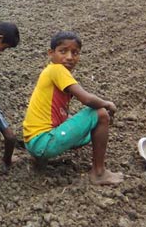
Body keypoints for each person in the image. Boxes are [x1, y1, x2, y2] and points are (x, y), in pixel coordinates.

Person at [22, 31, 123, 185]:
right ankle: (99, 173)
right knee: (100, 114)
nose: (69, 57)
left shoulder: (50, 71)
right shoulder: (57, 69)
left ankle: (38, 159)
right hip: (43, 142)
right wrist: (107, 104)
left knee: (87, 131)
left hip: (33, 142)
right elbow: (87, 99)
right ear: (51, 53)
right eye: (63, 51)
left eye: (74, 52)